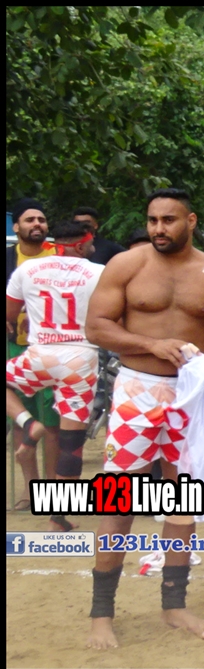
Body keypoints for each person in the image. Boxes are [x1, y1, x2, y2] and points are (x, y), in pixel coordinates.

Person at [83, 187, 204, 649]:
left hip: (191, 394)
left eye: (168, 220)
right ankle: (101, 613)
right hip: (137, 391)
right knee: (118, 500)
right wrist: (152, 345)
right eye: (153, 220)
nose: (158, 229)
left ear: (190, 221)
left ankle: (174, 604)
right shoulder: (126, 265)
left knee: (182, 500)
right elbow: (97, 327)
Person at [6, 219, 105, 531]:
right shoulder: (100, 273)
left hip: (40, 355)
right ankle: (59, 518)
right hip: (80, 359)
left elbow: (9, 314)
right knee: (71, 443)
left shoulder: (27, 270)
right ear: (80, 245)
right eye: (91, 243)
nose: (93, 247)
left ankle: (28, 424)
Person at [5, 198, 61, 512]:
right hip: (15, 345)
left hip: (54, 347)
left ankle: (50, 493)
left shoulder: (60, 256)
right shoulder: (7, 258)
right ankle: (29, 491)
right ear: (16, 227)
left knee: (52, 422)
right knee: (22, 420)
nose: (37, 224)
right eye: (29, 220)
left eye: (41, 219)